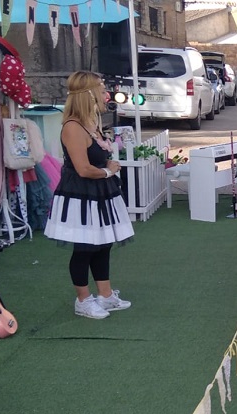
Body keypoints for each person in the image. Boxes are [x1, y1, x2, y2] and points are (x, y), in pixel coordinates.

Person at [44, 71, 134, 319]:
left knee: (103, 244)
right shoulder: (73, 127)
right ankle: (83, 300)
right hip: (81, 194)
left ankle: (105, 296)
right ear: (88, 94)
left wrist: (107, 169)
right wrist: (108, 170)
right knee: (84, 247)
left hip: (99, 192)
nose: (105, 93)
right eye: (101, 87)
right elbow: (83, 168)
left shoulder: (91, 123)